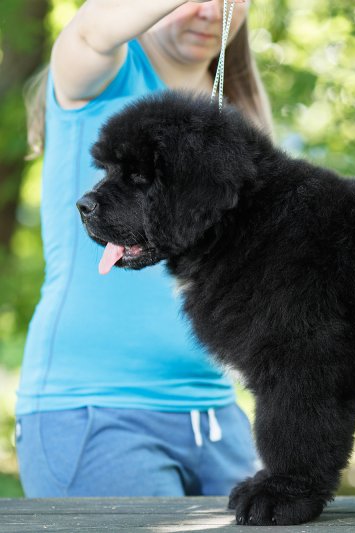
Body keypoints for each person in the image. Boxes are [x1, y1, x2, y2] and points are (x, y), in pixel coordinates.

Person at [17, 0, 272, 497]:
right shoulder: (103, 72)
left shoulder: (235, 117)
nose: (205, 10)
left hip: (219, 418)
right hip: (97, 415)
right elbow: (91, 31)